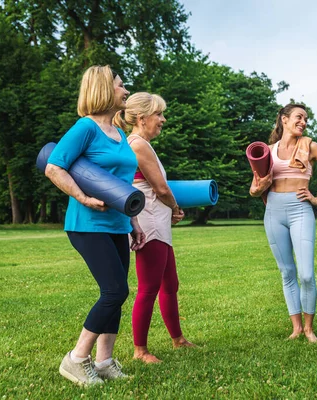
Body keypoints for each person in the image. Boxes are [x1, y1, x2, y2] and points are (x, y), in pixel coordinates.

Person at [45, 65, 145, 386]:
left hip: (118, 224)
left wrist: (134, 222)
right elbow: (54, 166)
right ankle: (76, 359)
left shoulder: (117, 131)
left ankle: (103, 361)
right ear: (103, 89)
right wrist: (82, 197)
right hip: (87, 224)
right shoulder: (85, 128)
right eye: (120, 85)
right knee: (115, 290)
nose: (125, 90)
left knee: (115, 293)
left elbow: (122, 182)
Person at [249, 104, 317, 343]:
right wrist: (261, 186)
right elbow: (253, 189)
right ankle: (296, 328)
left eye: (306, 118)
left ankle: (310, 328)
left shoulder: (310, 146)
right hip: (273, 212)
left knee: (306, 274)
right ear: (284, 119)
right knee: (287, 272)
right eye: (299, 117)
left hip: (300, 210)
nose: (303, 122)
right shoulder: (267, 151)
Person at [113, 92, 195, 364]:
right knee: (149, 288)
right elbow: (160, 188)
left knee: (170, 284)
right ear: (141, 117)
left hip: (157, 224)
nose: (163, 119)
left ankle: (178, 339)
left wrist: (170, 209)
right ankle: (140, 350)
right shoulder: (138, 145)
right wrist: (175, 208)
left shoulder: (142, 144)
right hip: (148, 224)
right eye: (158, 114)